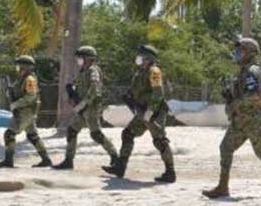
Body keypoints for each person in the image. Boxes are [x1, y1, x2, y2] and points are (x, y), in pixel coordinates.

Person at [203, 38, 261, 199]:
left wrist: (235, 103)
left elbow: (255, 95)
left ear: (250, 53)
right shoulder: (244, 71)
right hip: (241, 119)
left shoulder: (252, 71)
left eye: (241, 50)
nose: (237, 53)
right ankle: (223, 186)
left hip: (251, 119)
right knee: (226, 148)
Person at [103, 44, 175, 183]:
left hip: (154, 112)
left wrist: (150, 112)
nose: (138, 58)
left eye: (141, 56)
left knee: (160, 141)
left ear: (148, 58)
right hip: (142, 111)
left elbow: (158, 93)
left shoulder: (154, 71)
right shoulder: (140, 72)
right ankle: (120, 167)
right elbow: (137, 90)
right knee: (127, 133)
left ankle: (170, 172)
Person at [53, 45, 118, 170]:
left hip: (91, 108)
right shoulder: (83, 71)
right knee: (72, 130)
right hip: (83, 108)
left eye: (80, 58)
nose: (78, 60)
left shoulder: (93, 71)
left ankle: (115, 156)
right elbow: (79, 88)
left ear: (88, 58)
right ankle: (68, 160)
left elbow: (94, 89)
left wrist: (83, 104)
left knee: (96, 134)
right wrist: (72, 93)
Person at [0, 55, 52, 169]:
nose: (17, 68)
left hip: (26, 111)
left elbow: (30, 96)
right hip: (24, 111)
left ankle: (8, 161)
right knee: (33, 136)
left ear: (25, 67)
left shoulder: (29, 79)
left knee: (9, 134)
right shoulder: (21, 79)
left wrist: (15, 104)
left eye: (19, 65)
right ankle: (46, 160)